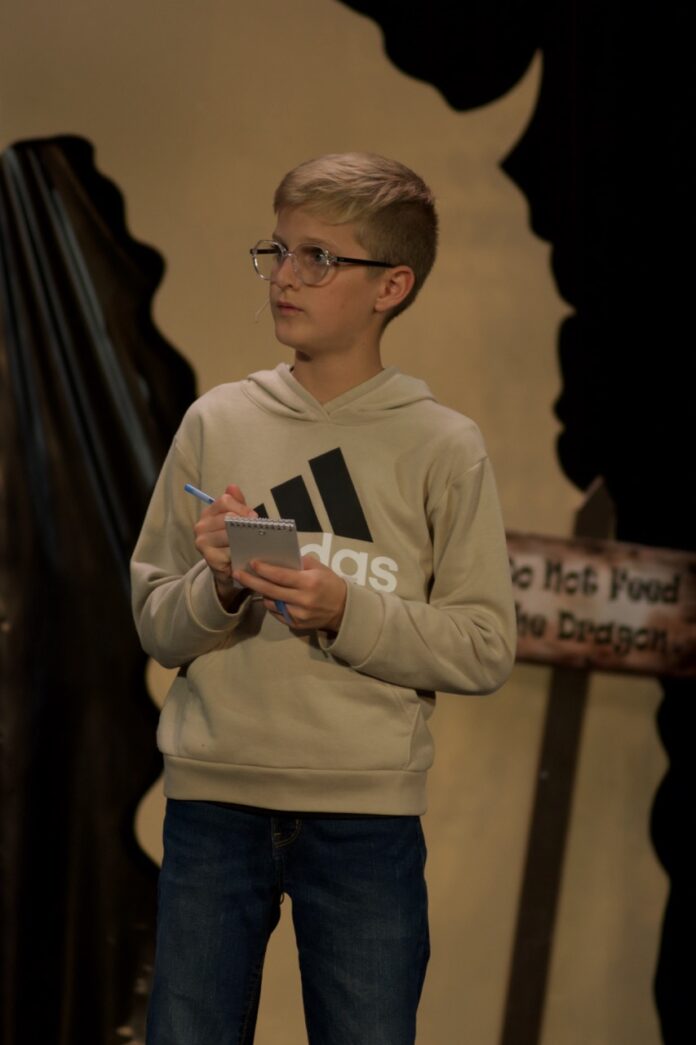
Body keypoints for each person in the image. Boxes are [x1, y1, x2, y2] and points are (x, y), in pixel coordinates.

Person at [130, 152, 516, 1045]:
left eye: (319, 258)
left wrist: (345, 609)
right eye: (278, 251)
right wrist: (220, 582)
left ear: (393, 285)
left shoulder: (443, 446)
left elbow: (484, 644)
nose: (287, 277)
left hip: (366, 820)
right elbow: (156, 620)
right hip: (213, 806)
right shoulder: (216, 422)